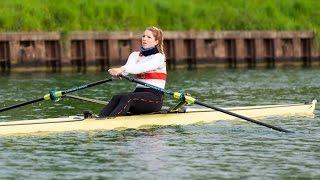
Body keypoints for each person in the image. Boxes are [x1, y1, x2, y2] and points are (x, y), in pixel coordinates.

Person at [98, 26, 166, 117]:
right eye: (143, 36)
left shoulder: (159, 57)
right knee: (117, 97)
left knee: (127, 98)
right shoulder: (135, 55)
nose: (144, 39)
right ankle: (99, 119)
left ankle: (110, 122)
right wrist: (119, 73)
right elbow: (127, 68)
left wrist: (121, 70)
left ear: (156, 42)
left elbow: (141, 68)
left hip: (155, 98)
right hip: (138, 94)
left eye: (149, 37)